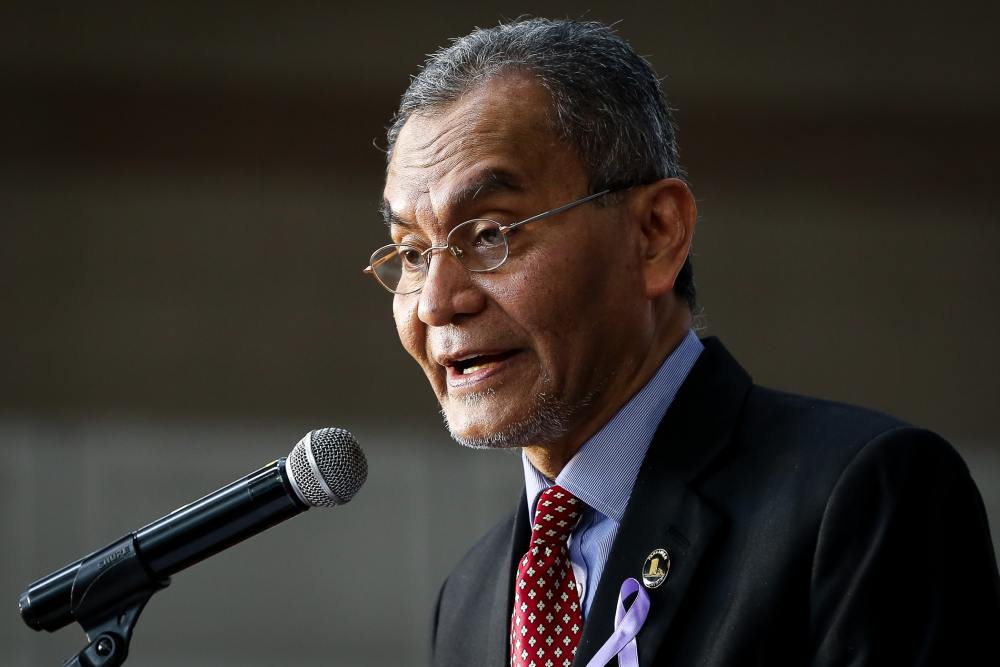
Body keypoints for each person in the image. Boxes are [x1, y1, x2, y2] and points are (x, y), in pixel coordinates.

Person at [366, 17, 1000, 667]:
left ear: (655, 233)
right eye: (413, 253)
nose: (438, 301)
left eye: (490, 233)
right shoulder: (468, 599)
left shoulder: (862, 501)